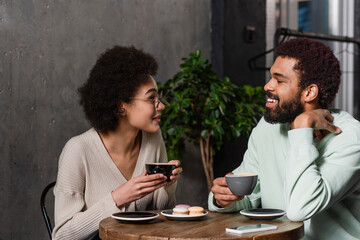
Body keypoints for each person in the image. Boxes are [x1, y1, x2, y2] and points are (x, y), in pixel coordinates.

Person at [208, 38, 360, 240]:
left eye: (279, 81)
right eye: (271, 77)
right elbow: (249, 196)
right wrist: (224, 199)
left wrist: (302, 129)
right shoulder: (267, 128)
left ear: (309, 92)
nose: (267, 86)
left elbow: (301, 209)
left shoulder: (350, 138)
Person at [52, 46, 182, 240]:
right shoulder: (78, 150)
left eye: (159, 97)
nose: (161, 105)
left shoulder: (153, 139)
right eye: (151, 98)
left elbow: (160, 218)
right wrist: (118, 198)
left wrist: (166, 185)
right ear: (122, 106)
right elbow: (61, 236)